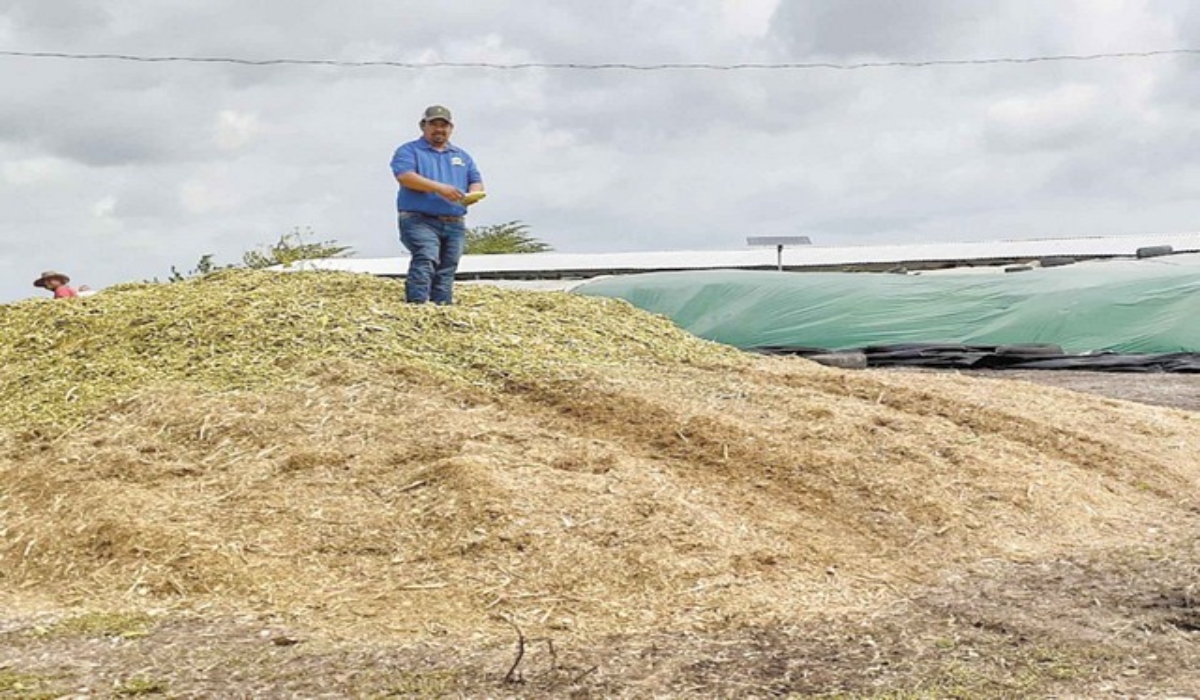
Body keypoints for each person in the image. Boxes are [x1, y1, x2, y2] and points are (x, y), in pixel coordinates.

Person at [390, 105, 485, 304]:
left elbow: (475, 179)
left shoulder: (461, 156)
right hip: (419, 219)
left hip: (455, 221)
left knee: (448, 267)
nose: (439, 129)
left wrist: (474, 193)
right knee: (426, 257)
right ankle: (417, 305)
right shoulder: (409, 150)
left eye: (444, 125)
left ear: (451, 128)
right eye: (434, 124)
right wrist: (439, 188)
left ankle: (442, 308)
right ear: (423, 126)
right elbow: (405, 177)